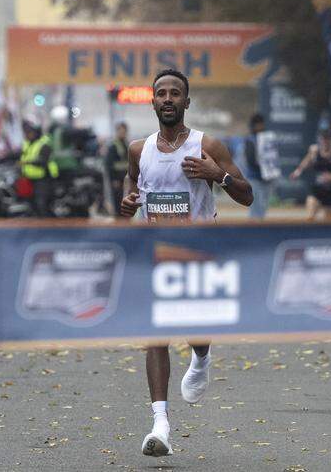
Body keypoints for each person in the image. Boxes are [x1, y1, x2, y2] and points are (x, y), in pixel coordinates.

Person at [117, 69, 252, 458]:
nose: (169, 98)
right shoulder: (138, 150)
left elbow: (247, 196)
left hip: (198, 252)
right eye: (162, 93)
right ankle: (160, 424)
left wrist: (218, 174)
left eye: (176, 93)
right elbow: (131, 186)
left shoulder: (206, 144)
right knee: (155, 333)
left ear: (187, 102)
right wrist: (127, 204)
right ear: (153, 101)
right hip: (154, 254)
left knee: (195, 327)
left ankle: (202, 355)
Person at [290, 131, 331, 221]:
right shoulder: (314, 150)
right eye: (323, 139)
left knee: (329, 221)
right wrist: (298, 171)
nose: (325, 142)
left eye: (328, 139)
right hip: (316, 189)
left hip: (330, 191)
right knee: (310, 217)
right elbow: (306, 161)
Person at [242, 113, 279, 219]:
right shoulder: (250, 140)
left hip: (267, 177)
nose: (260, 127)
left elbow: (273, 157)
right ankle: (254, 227)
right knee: (255, 205)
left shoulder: (268, 138)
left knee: (263, 205)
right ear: (254, 125)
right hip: (254, 177)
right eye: (258, 125)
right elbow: (250, 160)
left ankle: (260, 224)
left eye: (261, 124)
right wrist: (263, 165)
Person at [20, 118, 57, 217]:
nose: (27, 134)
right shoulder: (27, 143)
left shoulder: (44, 143)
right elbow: (19, 154)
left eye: (30, 131)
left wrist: (27, 162)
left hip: (43, 178)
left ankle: (47, 228)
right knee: (31, 206)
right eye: (26, 132)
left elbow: (42, 160)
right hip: (29, 178)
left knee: (41, 204)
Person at [103, 122, 129, 216]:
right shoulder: (113, 146)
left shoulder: (125, 144)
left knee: (124, 198)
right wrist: (114, 179)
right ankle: (118, 217)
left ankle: (123, 215)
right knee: (117, 199)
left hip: (124, 178)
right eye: (121, 131)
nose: (123, 133)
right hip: (116, 179)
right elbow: (109, 165)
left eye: (124, 131)